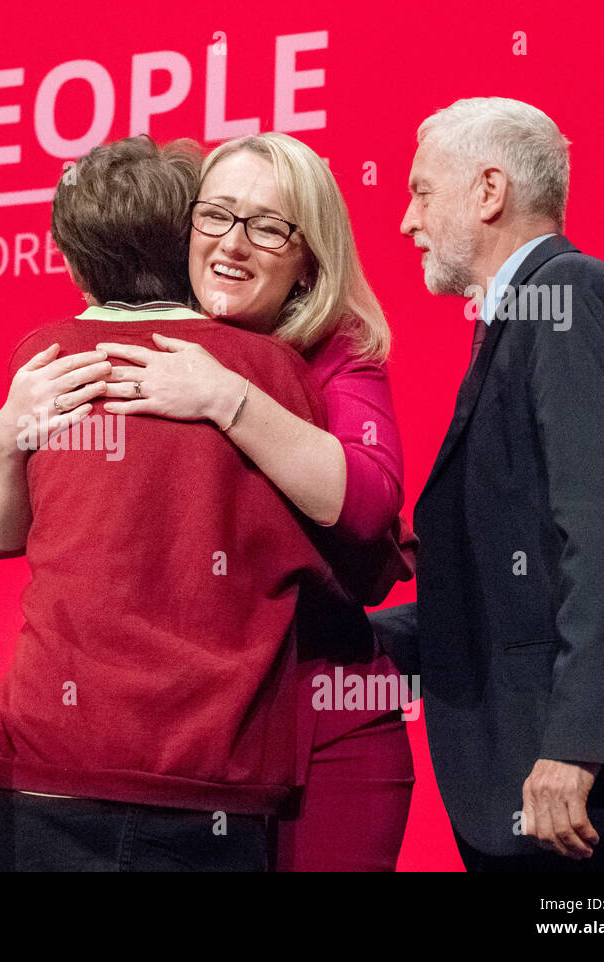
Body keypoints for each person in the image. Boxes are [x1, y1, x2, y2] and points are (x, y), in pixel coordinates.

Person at [0, 135, 343, 871]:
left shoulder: (44, 359)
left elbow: (0, 532)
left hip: (48, 767)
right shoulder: (273, 369)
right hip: (209, 780)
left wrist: (3, 438)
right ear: (189, 242)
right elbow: (350, 533)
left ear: (72, 259)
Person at [374, 96, 604, 870]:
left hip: (578, 791)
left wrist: (578, 745)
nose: (406, 220)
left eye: (421, 190)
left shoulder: (570, 298)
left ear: (488, 191)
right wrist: (338, 643)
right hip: (541, 783)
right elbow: (506, 599)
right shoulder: (525, 315)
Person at [93, 132, 415, 871]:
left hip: (325, 738)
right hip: (190, 746)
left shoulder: (340, 351)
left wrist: (225, 396)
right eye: (217, 216)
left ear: (308, 259)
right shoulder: (145, 337)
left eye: (269, 227)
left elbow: (367, 503)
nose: (233, 244)